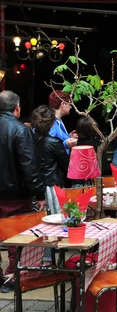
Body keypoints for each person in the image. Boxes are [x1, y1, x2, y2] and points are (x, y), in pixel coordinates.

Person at [0, 91, 45, 293]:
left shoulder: (18, 130)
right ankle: (13, 276)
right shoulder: (20, 130)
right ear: (17, 108)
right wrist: (39, 193)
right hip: (14, 193)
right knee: (16, 236)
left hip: (9, 190)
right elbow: (30, 166)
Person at [32, 105, 71, 200]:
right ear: (52, 124)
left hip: (35, 184)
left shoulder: (29, 138)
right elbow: (66, 165)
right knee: (56, 213)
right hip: (52, 185)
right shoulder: (54, 142)